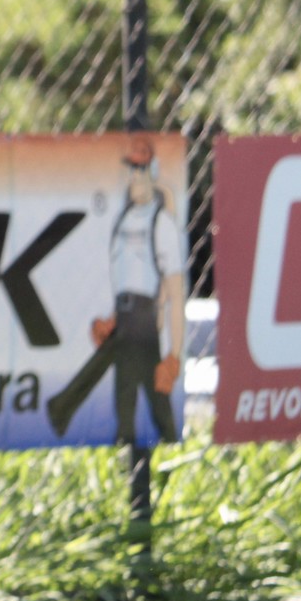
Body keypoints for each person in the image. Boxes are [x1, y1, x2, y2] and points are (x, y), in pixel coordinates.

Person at [44, 137, 185, 444]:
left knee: (129, 382)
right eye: (131, 168)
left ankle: (64, 406)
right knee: (138, 389)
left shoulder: (161, 222)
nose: (135, 176)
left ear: (154, 171)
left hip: (143, 314)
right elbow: (128, 274)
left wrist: (174, 351)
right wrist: (112, 317)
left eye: (142, 169)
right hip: (124, 311)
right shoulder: (124, 218)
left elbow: (172, 288)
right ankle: (150, 445)